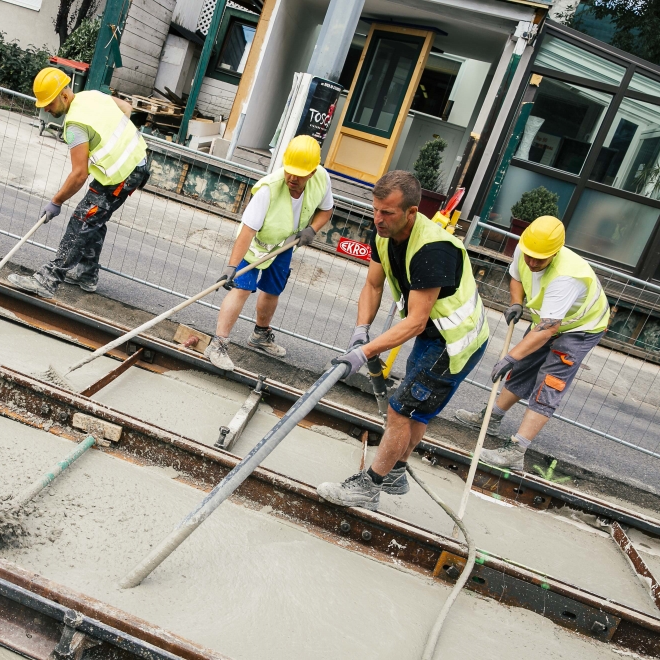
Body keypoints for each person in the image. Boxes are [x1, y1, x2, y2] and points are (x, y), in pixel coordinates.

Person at [317, 170, 489, 511]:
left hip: (453, 343)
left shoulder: (433, 249)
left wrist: (364, 353)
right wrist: (360, 330)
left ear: (411, 212)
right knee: (417, 411)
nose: (378, 219)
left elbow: (415, 320)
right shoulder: (383, 232)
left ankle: (371, 485)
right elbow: (373, 285)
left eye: (388, 213)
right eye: (376, 209)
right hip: (431, 336)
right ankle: (396, 470)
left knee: (401, 410)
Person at [454, 216, 609, 470]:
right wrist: (516, 301)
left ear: (555, 252)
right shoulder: (527, 248)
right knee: (524, 366)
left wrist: (509, 356)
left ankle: (517, 450)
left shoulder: (565, 277)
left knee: (549, 382)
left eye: (541, 259)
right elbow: (516, 276)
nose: (533, 262)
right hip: (546, 322)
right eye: (530, 256)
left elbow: (549, 330)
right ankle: (490, 419)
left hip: (580, 328)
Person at [7, 67, 149, 298]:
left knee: (82, 220)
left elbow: (79, 174)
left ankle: (48, 280)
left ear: (64, 95)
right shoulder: (92, 95)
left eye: (49, 104)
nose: (46, 109)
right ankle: (86, 273)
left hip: (121, 176)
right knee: (94, 218)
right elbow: (126, 108)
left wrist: (56, 201)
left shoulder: (74, 126)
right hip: (134, 165)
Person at [204, 135, 334, 370]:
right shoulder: (268, 189)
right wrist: (232, 267)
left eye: (299, 174)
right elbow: (247, 231)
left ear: (313, 172)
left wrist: (312, 230)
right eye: (289, 171)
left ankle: (260, 336)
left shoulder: (322, 179)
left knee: (272, 289)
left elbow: (327, 210)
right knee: (241, 288)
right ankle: (218, 344)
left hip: (284, 244)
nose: (292, 178)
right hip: (256, 244)